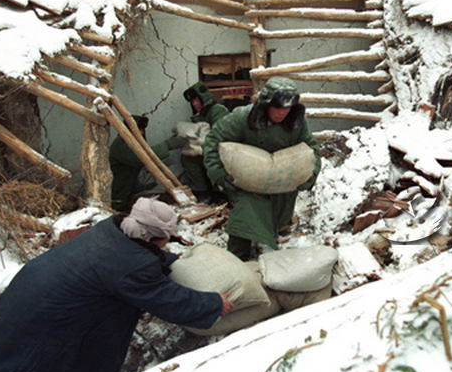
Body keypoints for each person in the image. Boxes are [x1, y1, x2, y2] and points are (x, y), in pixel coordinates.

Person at [0, 198, 234, 372]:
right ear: (156, 236)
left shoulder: (110, 230)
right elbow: (168, 300)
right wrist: (213, 304)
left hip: (24, 302)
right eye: (168, 236)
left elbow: (138, 257)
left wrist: (166, 261)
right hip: (43, 327)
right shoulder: (131, 266)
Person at [203, 77, 321, 261]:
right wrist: (218, 172)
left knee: (274, 226)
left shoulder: (296, 122)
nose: (282, 113)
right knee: (243, 224)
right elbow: (213, 140)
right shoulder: (243, 117)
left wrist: (311, 174)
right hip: (247, 183)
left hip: (281, 184)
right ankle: (237, 262)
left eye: (287, 109)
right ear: (265, 104)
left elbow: (312, 148)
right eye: (277, 108)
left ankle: (270, 260)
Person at [109, 114, 184, 212]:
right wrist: (167, 145)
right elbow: (141, 158)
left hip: (132, 185)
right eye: (139, 129)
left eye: (142, 129)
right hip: (121, 194)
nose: (141, 132)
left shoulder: (130, 142)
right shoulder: (120, 144)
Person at [180, 83, 230, 203]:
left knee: (194, 156)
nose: (194, 104)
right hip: (212, 150)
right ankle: (203, 192)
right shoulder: (202, 115)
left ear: (204, 98)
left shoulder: (218, 110)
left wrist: (199, 147)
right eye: (192, 102)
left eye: (197, 100)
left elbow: (218, 137)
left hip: (223, 152)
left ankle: (218, 194)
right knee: (188, 156)